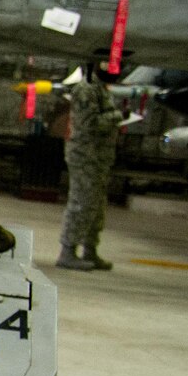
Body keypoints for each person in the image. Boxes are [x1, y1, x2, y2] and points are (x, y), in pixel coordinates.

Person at [57, 52, 125, 271]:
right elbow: (90, 123)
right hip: (85, 156)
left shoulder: (99, 89)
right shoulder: (86, 89)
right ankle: (67, 251)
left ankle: (90, 250)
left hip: (98, 158)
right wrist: (117, 116)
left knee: (96, 205)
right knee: (81, 202)